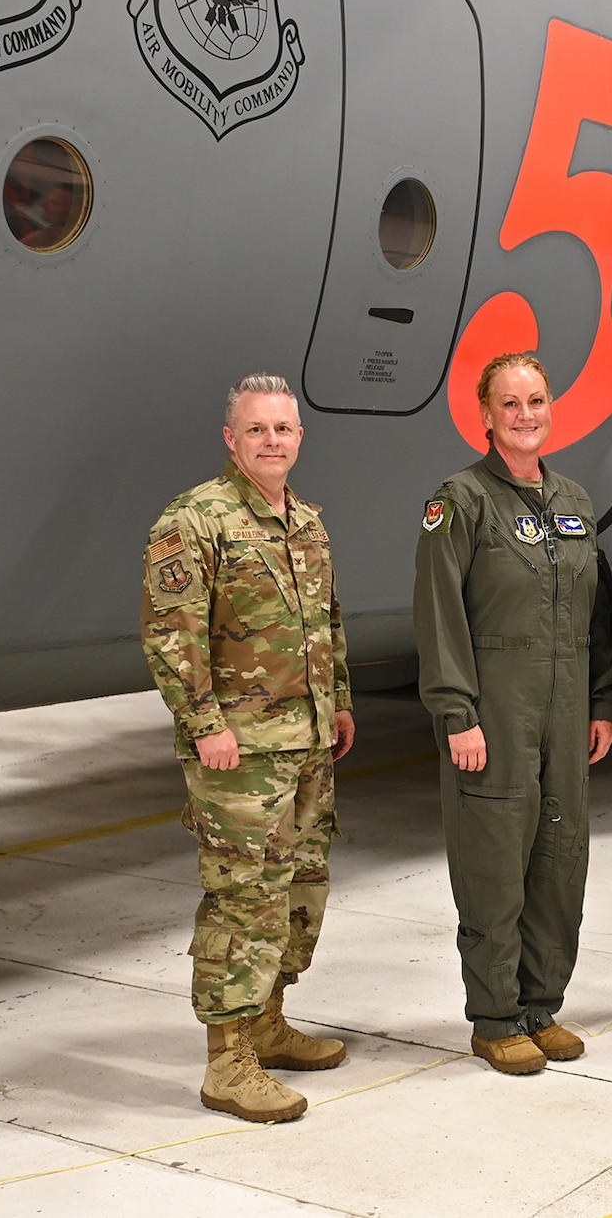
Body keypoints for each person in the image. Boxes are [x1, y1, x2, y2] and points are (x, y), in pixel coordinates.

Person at [142, 373, 355, 1123]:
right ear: (231, 439)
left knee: (299, 887)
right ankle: (227, 1061)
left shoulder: (307, 522)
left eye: (284, 429)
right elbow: (172, 633)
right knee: (243, 898)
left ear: (300, 438)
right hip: (241, 752)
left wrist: (341, 706)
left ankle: (267, 1022)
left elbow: (325, 622)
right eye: (257, 429)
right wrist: (206, 725)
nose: (273, 441)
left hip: (305, 745)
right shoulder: (197, 519)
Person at [414, 353, 612, 1075]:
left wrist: (599, 701)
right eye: (510, 403)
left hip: (566, 713)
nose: (525, 414)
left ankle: (541, 1004)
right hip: (496, 709)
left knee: (560, 862)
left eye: (536, 399)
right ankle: (496, 1013)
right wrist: (455, 712)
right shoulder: (460, 500)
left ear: (550, 407)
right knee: (495, 865)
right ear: (487, 415)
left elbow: (598, 614)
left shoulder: (575, 501)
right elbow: (441, 615)